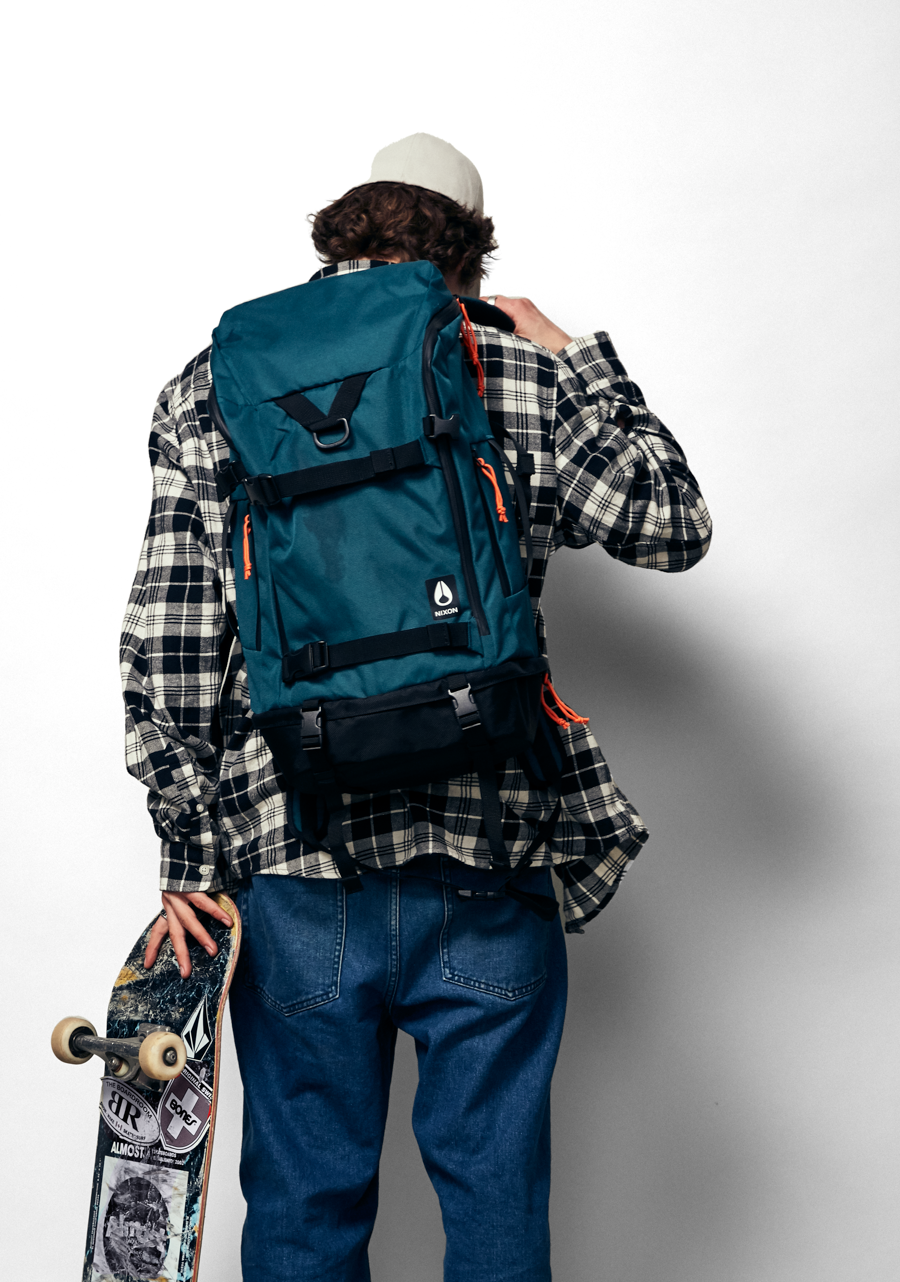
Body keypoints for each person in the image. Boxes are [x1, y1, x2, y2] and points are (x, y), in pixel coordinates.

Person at [125, 133, 712, 1281]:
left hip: (297, 864)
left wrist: (190, 853)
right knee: (495, 1202)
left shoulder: (212, 385)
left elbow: (173, 637)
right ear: (469, 258)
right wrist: (580, 356)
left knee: (303, 1205)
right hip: (487, 860)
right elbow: (671, 522)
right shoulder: (519, 372)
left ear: (338, 238)